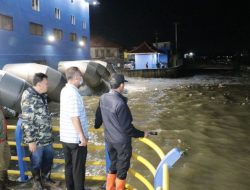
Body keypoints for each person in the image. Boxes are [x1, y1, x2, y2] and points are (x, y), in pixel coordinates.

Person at [95, 73, 150, 190]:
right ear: (121, 85)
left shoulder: (103, 98)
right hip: (122, 144)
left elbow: (98, 119)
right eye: (123, 84)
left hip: (109, 140)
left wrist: (96, 125)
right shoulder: (120, 104)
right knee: (122, 170)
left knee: (113, 165)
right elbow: (128, 129)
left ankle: (109, 188)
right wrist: (142, 134)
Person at [21, 73, 55, 190]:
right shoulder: (28, 96)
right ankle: (37, 182)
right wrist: (31, 140)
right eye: (46, 83)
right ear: (39, 84)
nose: (47, 85)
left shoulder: (43, 95)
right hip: (37, 139)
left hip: (47, 137)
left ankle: (46, 179)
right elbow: (26, 120)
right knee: (36, 162)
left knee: (48, 159)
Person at [60, 67, 89, 190]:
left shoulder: (64, 90)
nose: (81, 80)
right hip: (75, 139)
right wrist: (82, 137)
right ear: (76, 77)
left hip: (66, 137)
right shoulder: (73, 93)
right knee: (78, 169)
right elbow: (74, 117)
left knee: (69, 166)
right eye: (80, 77)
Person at [0, 107, 11, 190]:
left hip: (3, 139)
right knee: (1, 164)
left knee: (6, 159)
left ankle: (5, 182)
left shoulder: (1, 107)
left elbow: (8, 111)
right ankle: (2, 186)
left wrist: (18, 115)